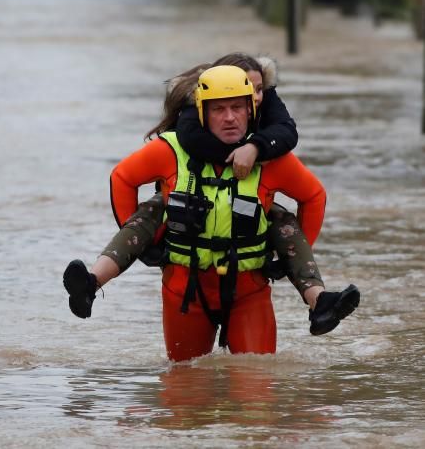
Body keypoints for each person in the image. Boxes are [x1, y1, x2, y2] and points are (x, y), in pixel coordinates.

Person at [64, 65, 360, 362]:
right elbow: (123, 178)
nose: (230, 117)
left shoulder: (272, 158)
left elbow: (314, 196)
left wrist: (285, 260)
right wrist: (151, 246)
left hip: (248, 290)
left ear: (251, 110)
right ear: (202, 112)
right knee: (186, 392)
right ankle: (92, 281)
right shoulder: (171, 150)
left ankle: (318, 299)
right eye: (219, 110)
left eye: (237, 108)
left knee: (255, 390)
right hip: (184, 290)